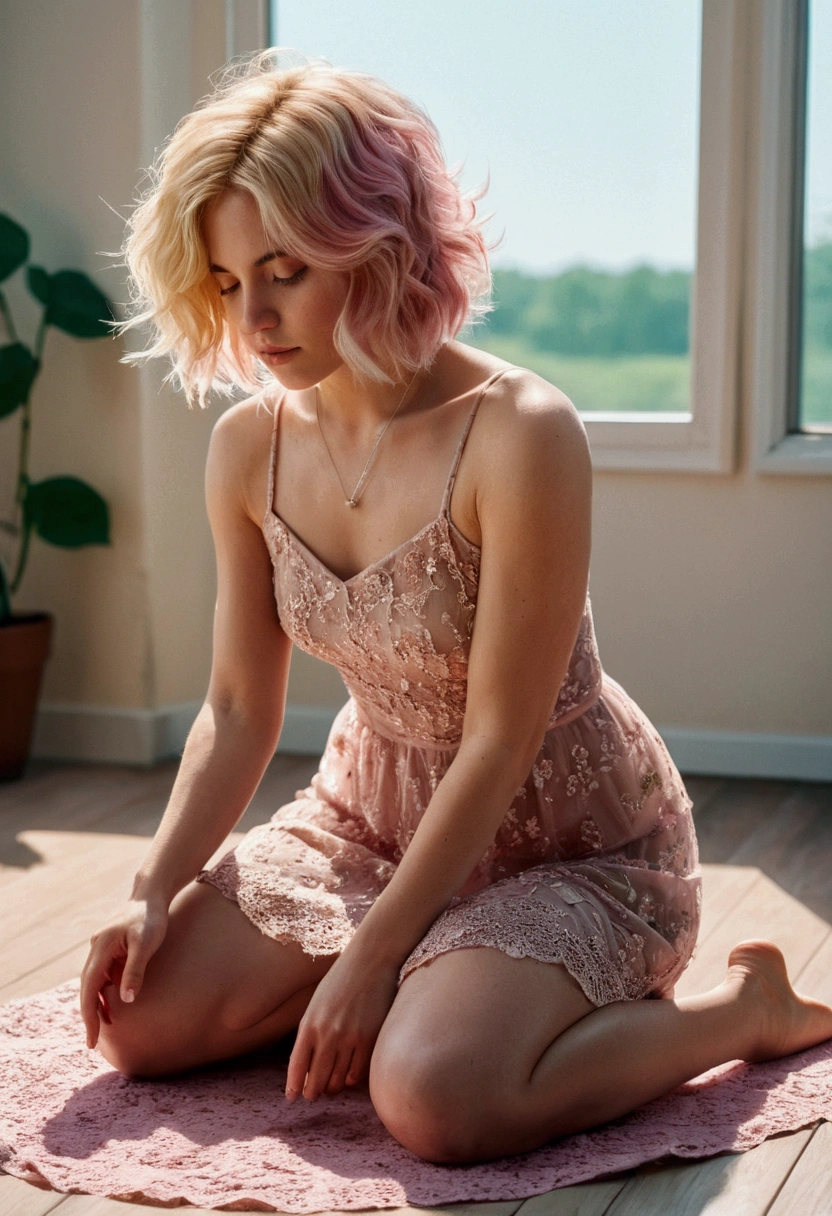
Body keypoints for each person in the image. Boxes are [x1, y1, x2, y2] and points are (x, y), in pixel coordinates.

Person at [80, 48, 832, 1165]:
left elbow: (500, 736)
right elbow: (238, 707)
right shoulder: (248, 447)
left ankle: (738, 1010)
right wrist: (152, 885)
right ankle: (439, 983)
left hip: (562, 840)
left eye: (285, 267)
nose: (257, 315)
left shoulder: (520, 429)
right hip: (367, 816)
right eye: (231, 281)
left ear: (374, 243)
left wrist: (370, 959)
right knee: (136, 1026)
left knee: (437, 1103)